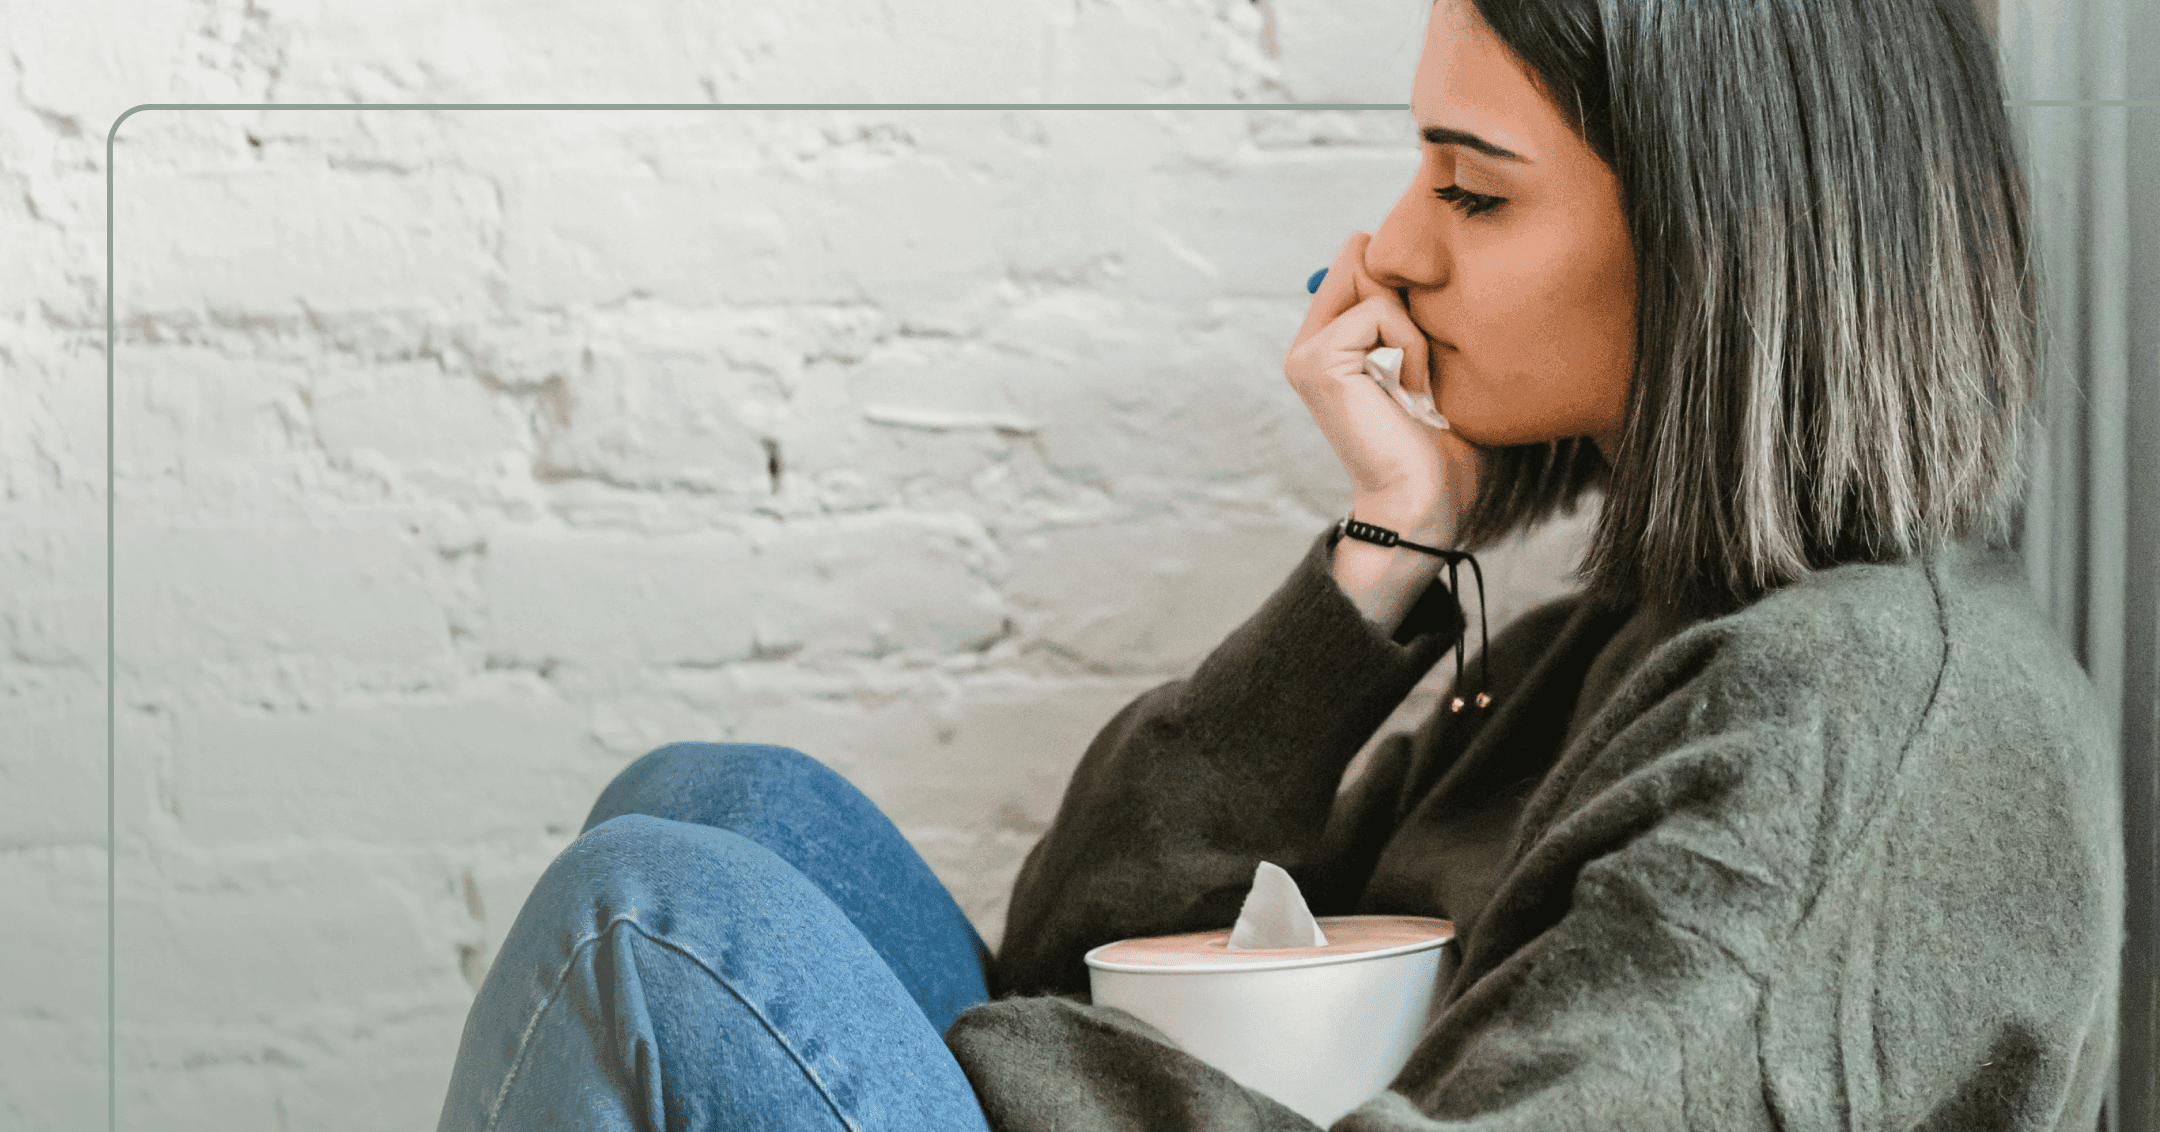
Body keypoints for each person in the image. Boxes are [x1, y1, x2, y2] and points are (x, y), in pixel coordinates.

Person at [435, 0, 2125, 1127]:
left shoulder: (1871, 734)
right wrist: (1386, 560)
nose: (1389, 244)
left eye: (1470, 191)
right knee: (725, 803)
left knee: (647, 932)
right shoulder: (1598, 649)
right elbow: (1091, 952)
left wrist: (997, 1072)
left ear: (1723, 239)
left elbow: (1041, 1021)